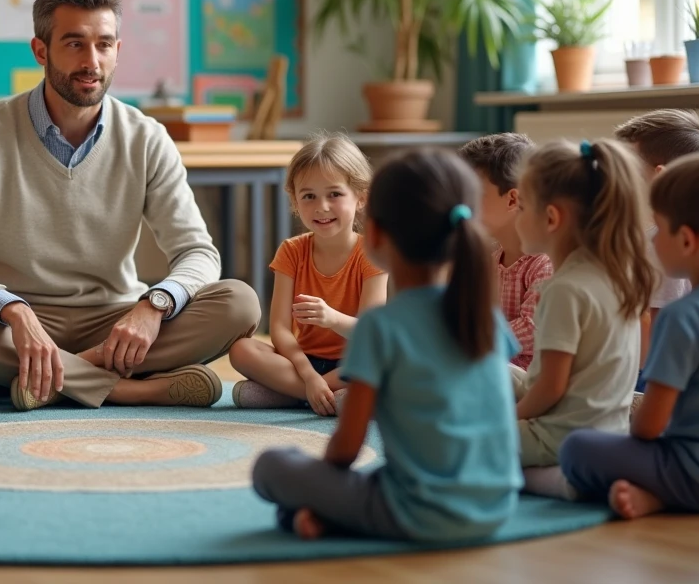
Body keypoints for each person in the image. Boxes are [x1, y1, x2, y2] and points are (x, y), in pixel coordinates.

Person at [0, 0, 260, 410]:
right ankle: (126, 389)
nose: (91, 61)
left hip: (114, 320)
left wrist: (154, 306)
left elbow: (198, 252)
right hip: (13, 324)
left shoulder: (148, 137)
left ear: (118, 50)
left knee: (239, 303)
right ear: (41, 50)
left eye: (104, 44)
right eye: (75, 43)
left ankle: (44, 379)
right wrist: (14, 310)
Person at [251, 149, 521, 542]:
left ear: (374, 233)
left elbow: (346, 448)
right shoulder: (484, 317)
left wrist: (323, 486)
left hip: (418, 513)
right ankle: (329, 514)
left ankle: (319, 517)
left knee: (273, 467)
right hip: (498, 508)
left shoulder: (381, 327)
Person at [560, 152, 699, 519]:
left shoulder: (683, 316)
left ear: (686, 240)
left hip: (698, 472)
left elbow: (650, 426)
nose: (652, 240)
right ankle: (661, 496)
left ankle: (665, 494)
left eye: (658, 228)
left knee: (577, 447)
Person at [512, 139, 655, 495]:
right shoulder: (618, 274)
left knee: (464, 439)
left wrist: (508, 419)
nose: (517, 217)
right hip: (609, 430)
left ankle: (564, 480)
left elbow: (551, 388)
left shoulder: (563, 290)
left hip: (560, 437)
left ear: (550, 218)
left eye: (522, 206)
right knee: (499, 372)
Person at [229, 133, 386, 413]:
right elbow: (278, 329)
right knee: (242, 349)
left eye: (334, 194)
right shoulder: (291, 251)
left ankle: (288, 395)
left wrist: (332, 319)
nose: (321, 207)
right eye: (309, 196)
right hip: (303, 362)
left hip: (354, 360)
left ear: (360, 198)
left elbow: (369, 331)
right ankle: (325, 397)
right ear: (295, 201)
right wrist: (309, 376)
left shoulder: (371, 253)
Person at [614, 109, 699, 390]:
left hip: (648, 374)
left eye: (626, 167)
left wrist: (630, 382)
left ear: (660, 178)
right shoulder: (684, 234)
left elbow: (653, 328)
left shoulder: (663, 247)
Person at [458, 133, 553, 369]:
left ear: (513, 200)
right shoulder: (490, 260)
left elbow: (534, 329)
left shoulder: (544, 262)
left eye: (471, 194)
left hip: (529, 379)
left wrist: (472, 341)